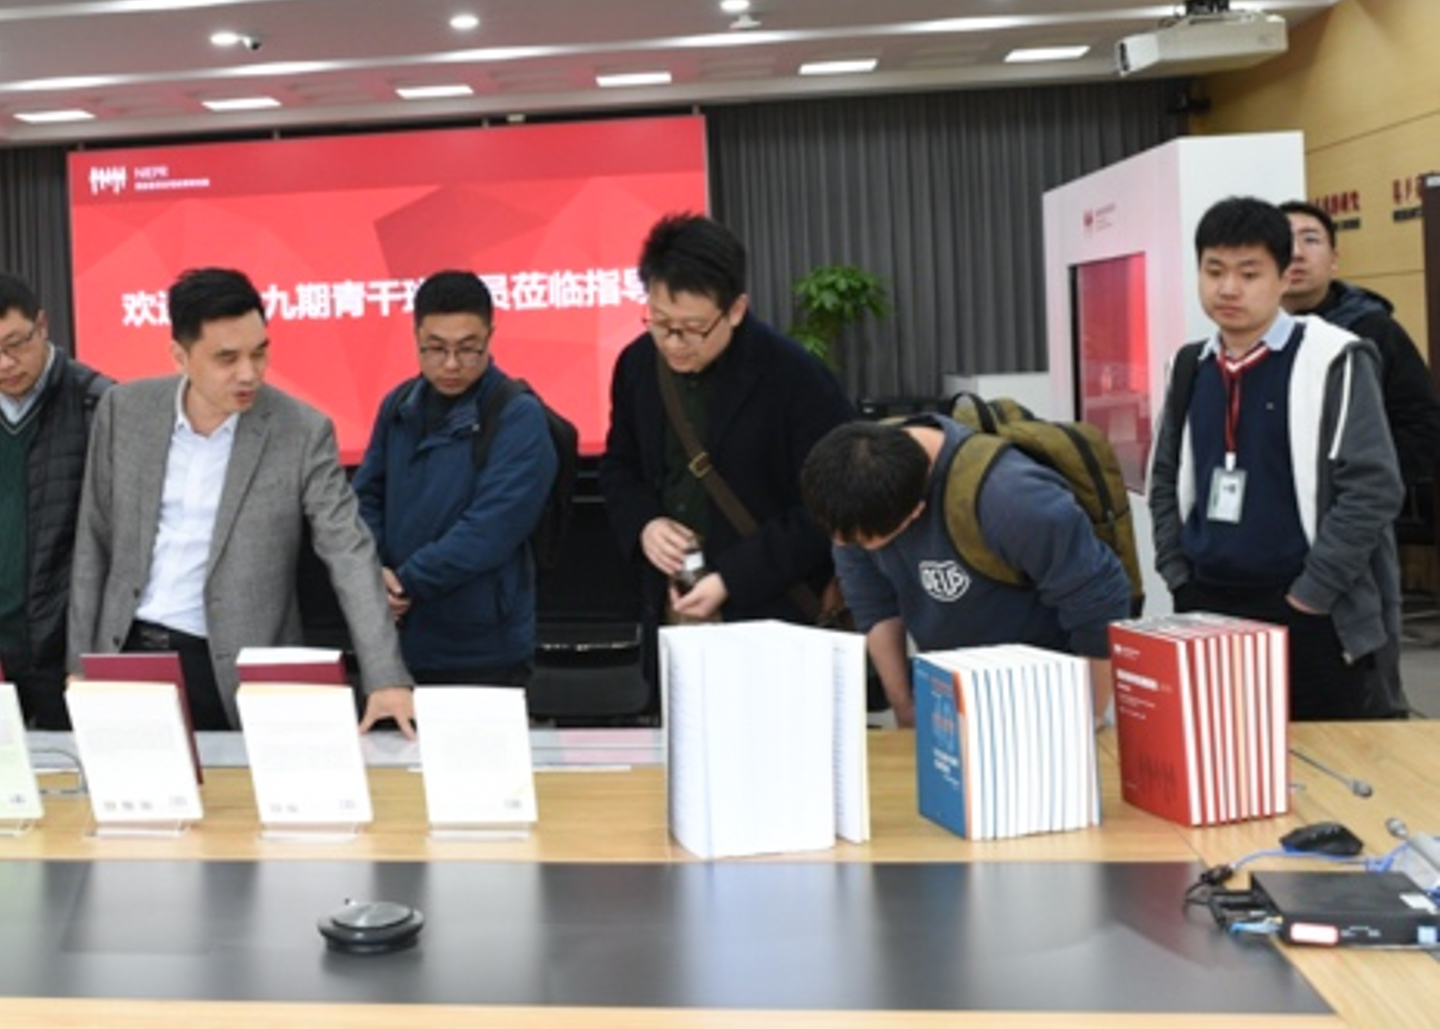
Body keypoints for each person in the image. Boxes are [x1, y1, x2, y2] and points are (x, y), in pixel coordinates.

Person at [67, 267, 414, 733]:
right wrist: (79, 664)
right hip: (127, 649)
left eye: (259, 352)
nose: (249, 373)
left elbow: (348, 551)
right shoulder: (125, 410)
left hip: (231, 663)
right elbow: (93, 542)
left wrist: (386, 677)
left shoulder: (301, 431)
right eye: (226, 358)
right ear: (180, 356)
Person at [1151, 196, 1402, 721]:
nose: (1228, 288)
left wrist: (1312, 595)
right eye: (1214, 271)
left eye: (1249, 273)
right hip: (1206, 602)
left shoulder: (1334, 357)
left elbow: (1373, 489)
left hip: (1307, 608)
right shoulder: (1190, 365)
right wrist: (1177, 574)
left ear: (1284, 277)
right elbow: (1165, 477)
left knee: (1320, 758)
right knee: (1223, 750)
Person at [599, 213, 856, 625]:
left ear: (735, 310)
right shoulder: (637, 364)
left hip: (770, 609)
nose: (674, 343)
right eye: (660, 322)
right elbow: (620, 466)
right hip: (669, 598)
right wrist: (645, 524)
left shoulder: (794, 376)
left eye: (693, 328)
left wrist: (733, 578)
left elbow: (830, 507)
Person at [799, 420, 1132, 725]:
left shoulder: (1012, 499)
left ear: (915, 513)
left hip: (1043, 694)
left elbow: (1097, 602)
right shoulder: (855, 485)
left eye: (861, 541)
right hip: (950, 689)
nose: (841, 544)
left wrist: (1088, 716)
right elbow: (873, 603)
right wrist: (904, 706)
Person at [353, 270, 557, 687]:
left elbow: (491, 529)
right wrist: (375, 571)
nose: (450, 364)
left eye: (467, 349)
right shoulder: (398, 405)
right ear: (415, 336)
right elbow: (365, 496)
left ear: (490, 337)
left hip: (483, 647)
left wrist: (405, 583)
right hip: (398, 639)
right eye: (435, 348)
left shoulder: (517, 415)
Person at [0, 273, 112, 730]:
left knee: (69, 764)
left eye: (16, 344)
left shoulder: (98, 403)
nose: (5, 364)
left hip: (61, 638)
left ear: (42, 325)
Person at [1279, 199, 1440, 503]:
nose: (1297, 253)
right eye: (1284, 241)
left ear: (1334, 260)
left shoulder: (1373, 331)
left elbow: (1422, 426)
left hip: (1353, 508)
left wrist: (1363, 489)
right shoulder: (1250, 335)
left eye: (1310, 239)